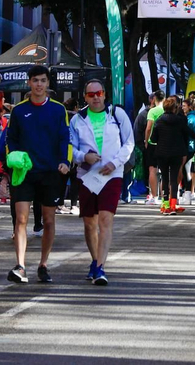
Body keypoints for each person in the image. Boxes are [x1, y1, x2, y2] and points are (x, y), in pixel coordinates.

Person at [4, 64, 71, 284]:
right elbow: (10, 139)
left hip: (51, 173)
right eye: (35, 80)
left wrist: (64, 161)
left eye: (43, 80)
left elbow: (65, 138)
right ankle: (20, 266)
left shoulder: (59, 109)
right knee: (21, 218)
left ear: (48, 83)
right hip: (24, 173)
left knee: (49, 220)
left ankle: (43, 264)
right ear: (28, 83)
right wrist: (13, 157)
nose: (39, 84)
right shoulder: (19, 110)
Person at [69, 79, 132, 285]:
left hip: (112, 175)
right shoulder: (78, 119)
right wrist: (83, 157)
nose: (95, 97)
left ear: (105, 94)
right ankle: (95, 260)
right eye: (91, 94)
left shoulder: (117, 114)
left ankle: (100, 267)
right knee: (89, 223)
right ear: (85, 97)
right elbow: (72, 148)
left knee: (106, 220)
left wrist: (115, 163)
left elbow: (129, 142)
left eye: (99, 93)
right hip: (87, 176)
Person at [150, 96, 195, 213]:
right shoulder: (179, 121)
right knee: (174, 179)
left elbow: (153, 138)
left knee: (165, 178)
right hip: (176, 153)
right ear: (175, 108)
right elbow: (188, 132)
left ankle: (165, 205)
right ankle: (173, 204)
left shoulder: (159, 120)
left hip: (162, 153)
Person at [142, 92, 164, 204]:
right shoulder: (167, 110)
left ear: (154, 98)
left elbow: (149, 127)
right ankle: (165, 196)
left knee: (152, 169)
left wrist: (146, 140)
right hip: (165, 143)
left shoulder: (152, 111)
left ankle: (155, 197)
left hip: (153, 143)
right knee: (165, 170)